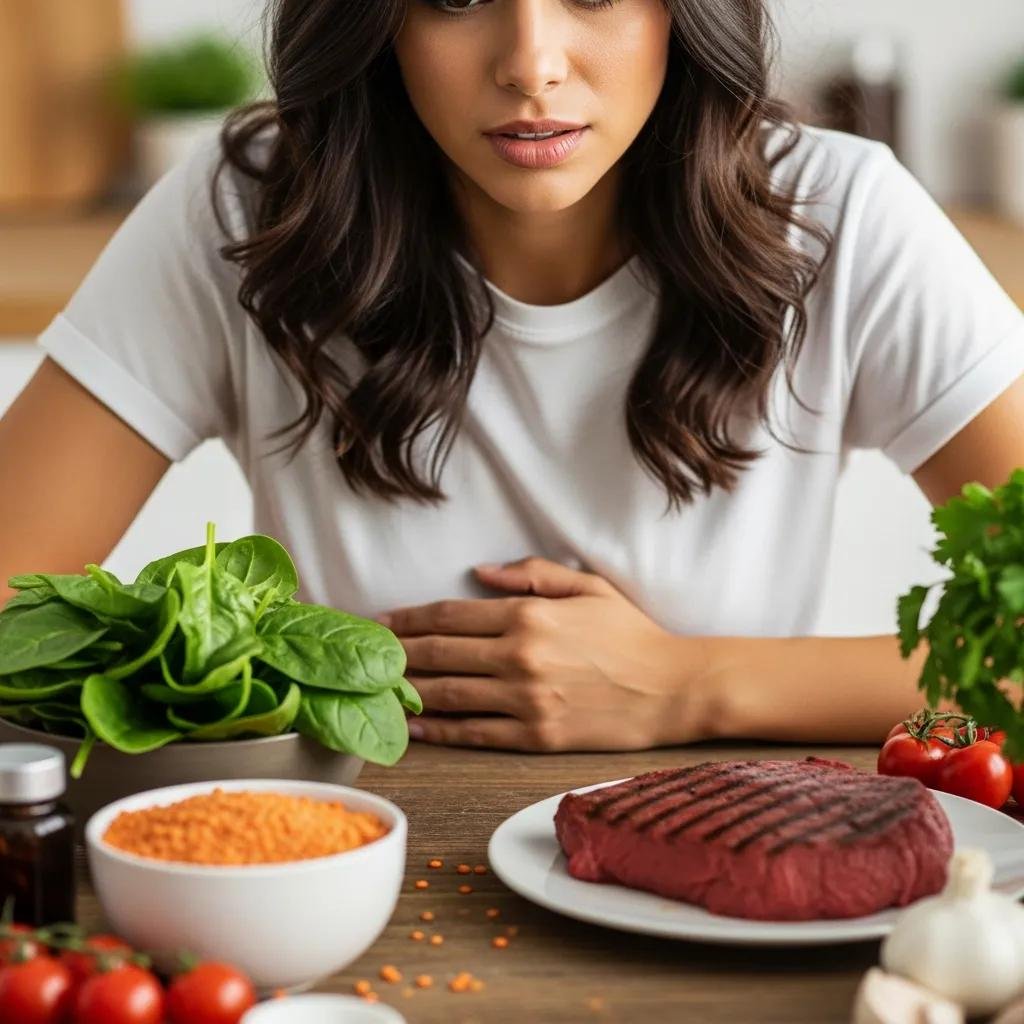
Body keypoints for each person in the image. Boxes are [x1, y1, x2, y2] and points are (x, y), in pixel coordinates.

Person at [2, 0, 1022, 755]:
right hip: (347, 868)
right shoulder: (249, 211)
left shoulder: (842, 217)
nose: (531, 65)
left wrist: (690, 685)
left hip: (733, 892)